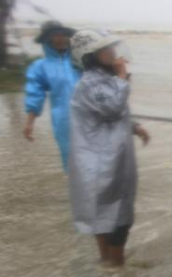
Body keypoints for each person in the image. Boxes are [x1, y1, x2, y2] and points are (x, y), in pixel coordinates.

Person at [67, 29, 150, 268]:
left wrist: (133, 126)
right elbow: (112, 108)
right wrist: (123, 77)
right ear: (90, 55)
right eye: (105, 49)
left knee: (103, 215)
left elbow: (107, 114)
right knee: (117, 219)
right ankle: (117, 267)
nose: (113, 53)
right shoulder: (90, 83)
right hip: (103, 163)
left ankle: (106, 263)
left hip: (105, 159)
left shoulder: (102, 80)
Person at [24, 20, 80, 171]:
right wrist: (29, 123)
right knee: (73, 164)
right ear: (46, 39)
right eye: (55, 35)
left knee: (98, 161)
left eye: (63, 34)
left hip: (88, 117)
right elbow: (35, 94)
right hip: (64, 121)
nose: (60, 38)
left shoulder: (80, 60)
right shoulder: (41, 66)